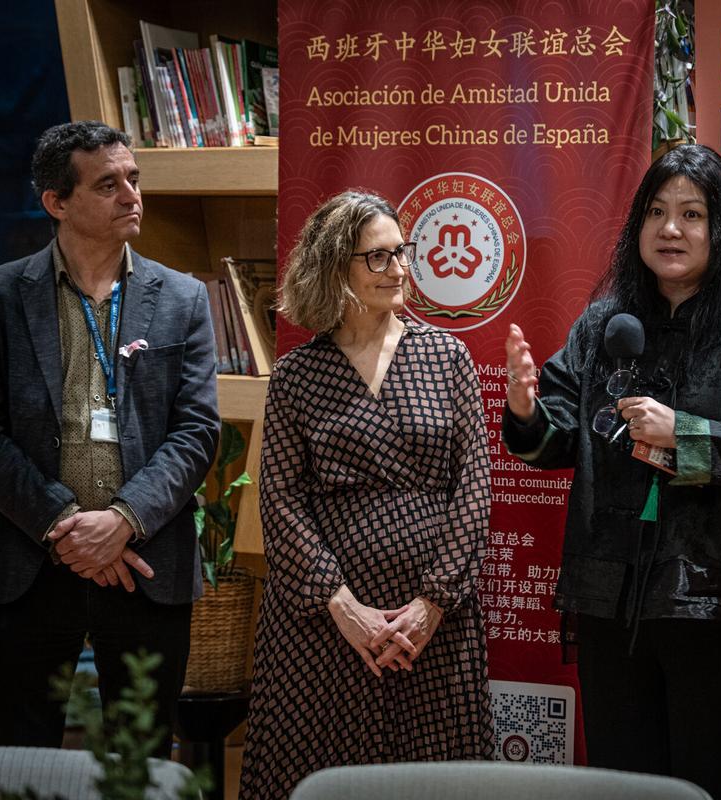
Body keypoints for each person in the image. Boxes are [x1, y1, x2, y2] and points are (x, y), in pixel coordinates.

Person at [502, 144, 721, 800]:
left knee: (711, 784)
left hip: (715, 603)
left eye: (692, 214)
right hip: (612, 596)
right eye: (656, 212)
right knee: (622, 785)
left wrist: (689, 436)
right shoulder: (606, 325)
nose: (670, 229)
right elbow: (562, 438)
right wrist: (528, 410)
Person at [0, 121, 220, 752]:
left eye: (133, 178)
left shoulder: (182, 297)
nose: (131, 195)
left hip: (144, 564)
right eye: (108, 184)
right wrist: (65, 525)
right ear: (57, 202)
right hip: (28, 562)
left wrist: (123, 520)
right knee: (19, 762)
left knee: (142, 762)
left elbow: (196, 431)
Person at [240, 190, 494, 799]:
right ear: (335, 268)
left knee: (438, 780)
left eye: (401, 253)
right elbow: (280, 498)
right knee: (321, 776)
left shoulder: (446, 356)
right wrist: (343, 607)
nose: (400, 269)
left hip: (434, 625)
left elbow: (474, 485)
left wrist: (432, 604)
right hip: (322, 628)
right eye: (377, 258)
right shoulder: (299, 375)